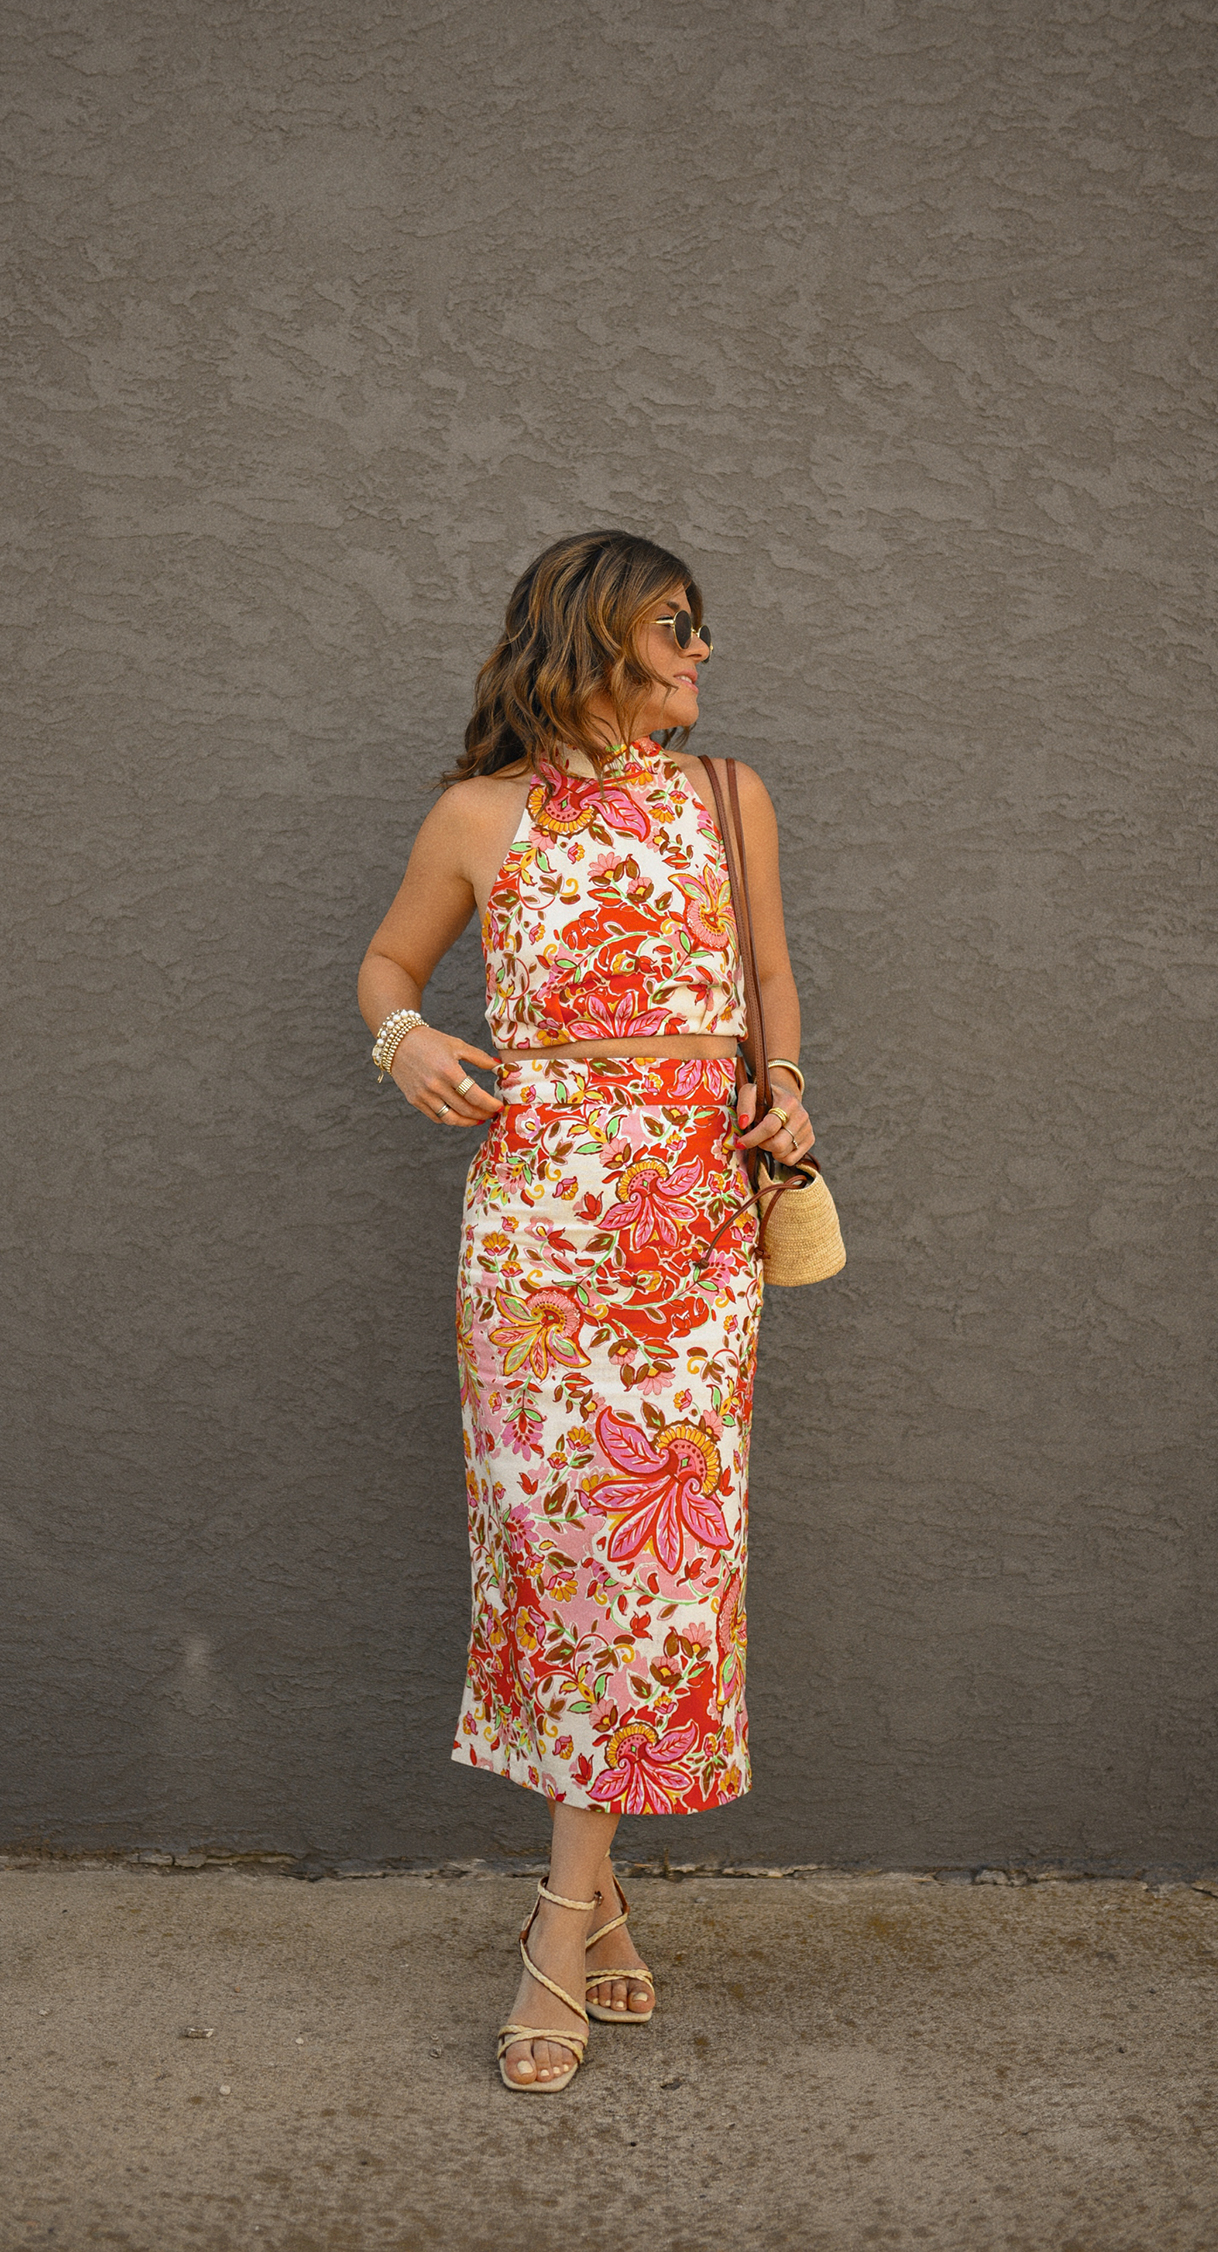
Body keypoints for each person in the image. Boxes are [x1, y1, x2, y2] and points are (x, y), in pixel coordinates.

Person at [357, 530, 813, 2092]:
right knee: (559, 1553)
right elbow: (386, 963)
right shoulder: (478, 814)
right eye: (676, 627)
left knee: (656, 1555)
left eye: (700, 626)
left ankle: (561, 1917)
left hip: (690, 1229)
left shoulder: (727, 798)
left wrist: (789, 1096)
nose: (702, 653)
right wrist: (405, 1040)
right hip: (537, 1228)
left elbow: (768, 979)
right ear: (592, 637)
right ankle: (595, 1903)